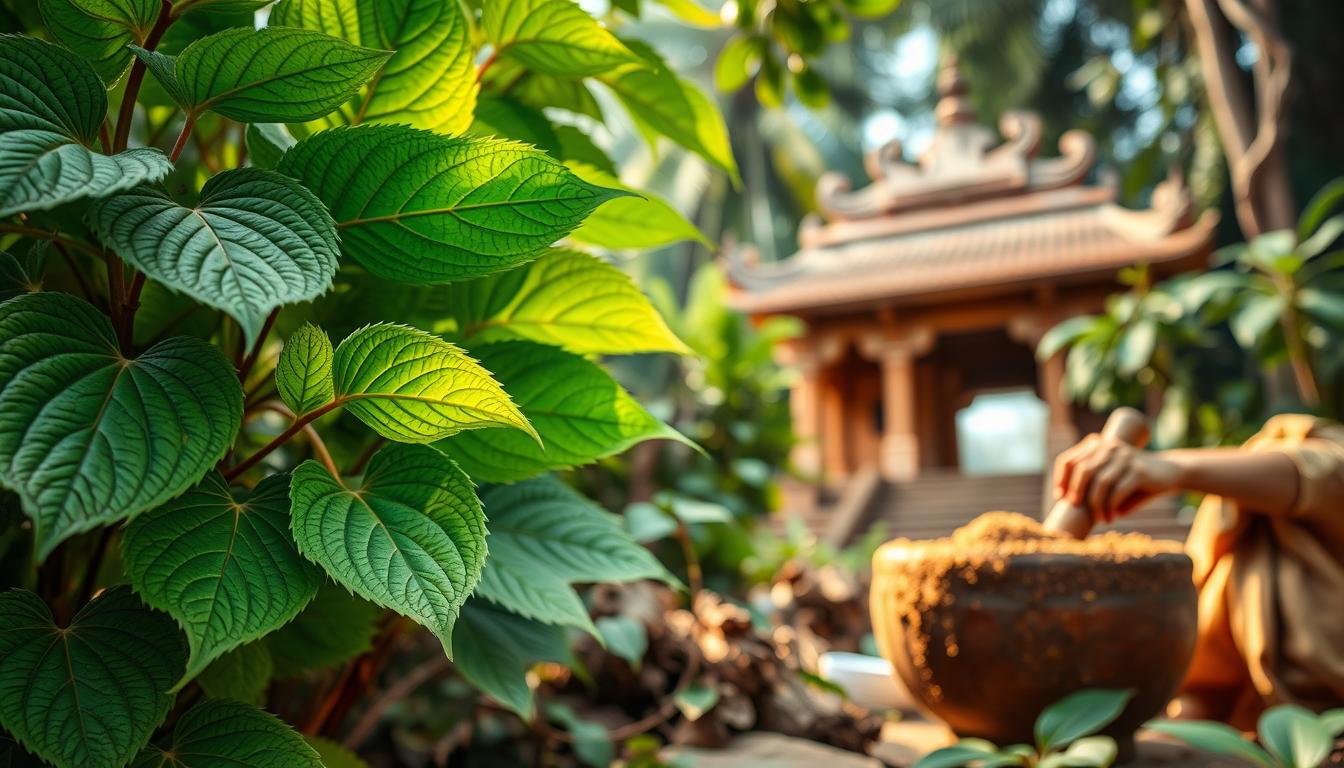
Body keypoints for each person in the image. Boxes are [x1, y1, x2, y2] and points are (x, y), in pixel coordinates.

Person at [1051, 414, 1344, 730]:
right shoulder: (1238, 541)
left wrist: (1172, 468)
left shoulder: (1318, 471)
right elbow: (1206, 694)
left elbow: (1318, 472)